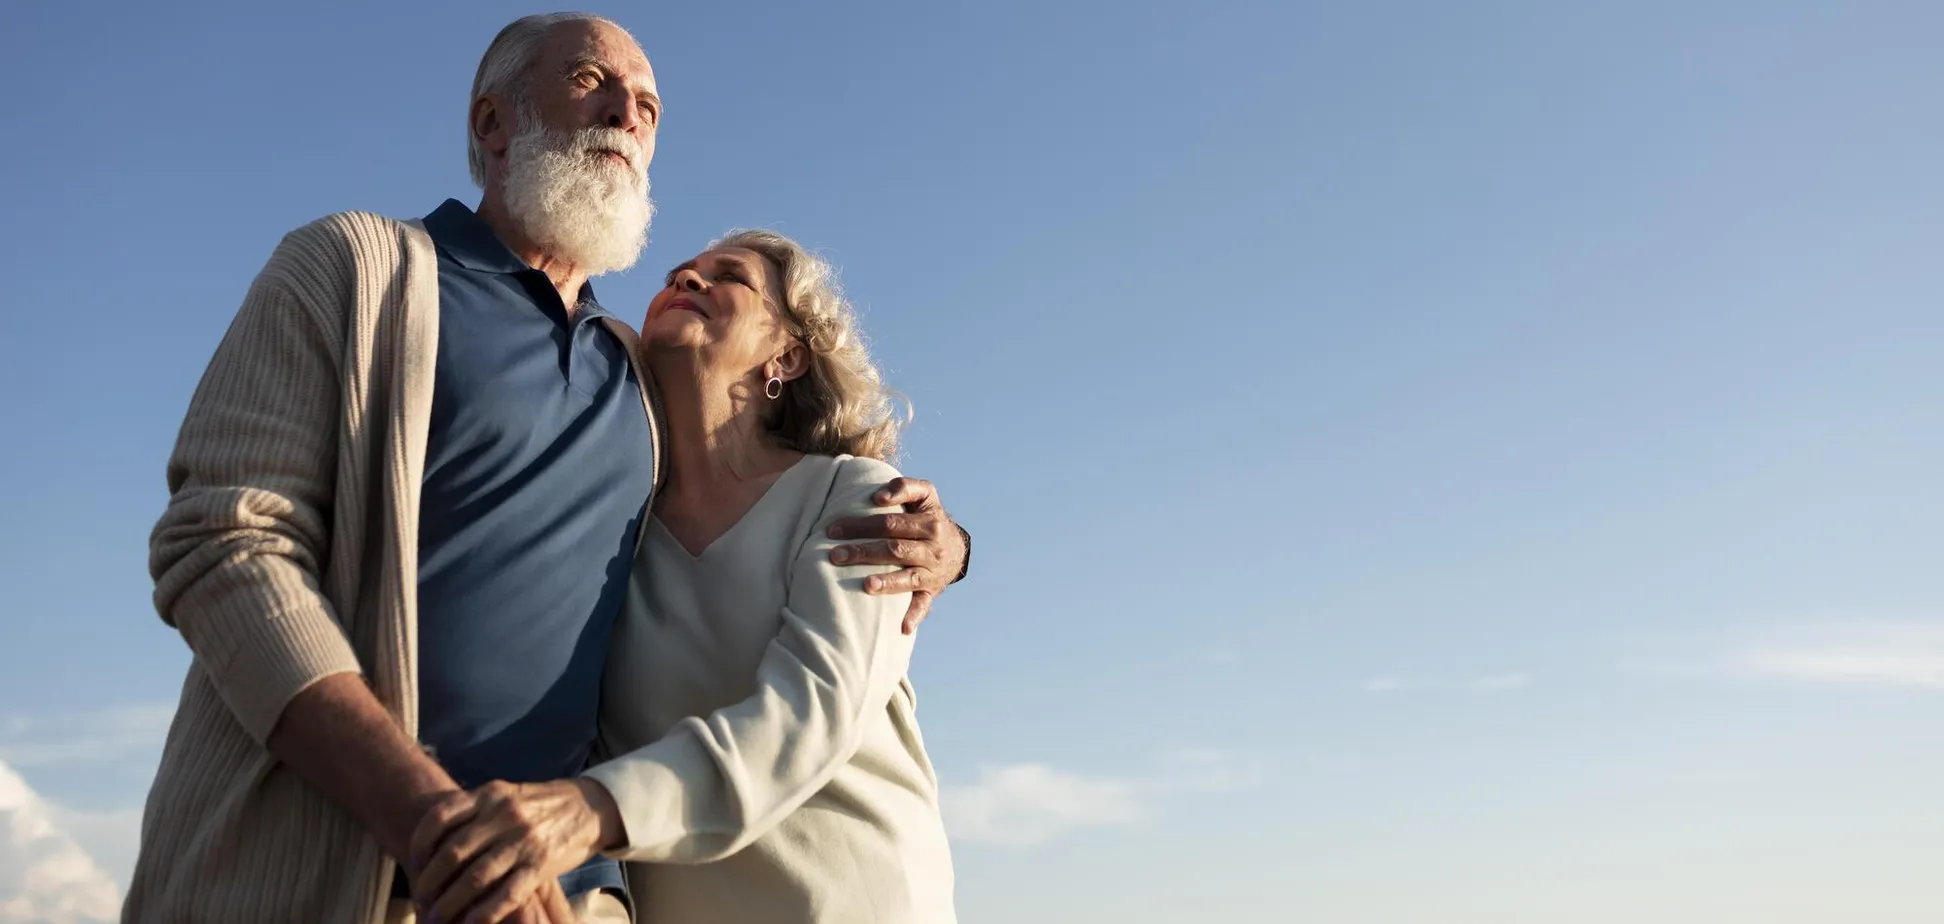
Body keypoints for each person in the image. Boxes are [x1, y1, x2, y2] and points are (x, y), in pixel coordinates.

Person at [128, 13, 968, 924]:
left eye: (648, 105)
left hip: (579, 897)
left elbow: (773, 532)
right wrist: (440, 828)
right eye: (589, 83)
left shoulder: (631, 375)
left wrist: (951, 544)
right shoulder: (354, 270)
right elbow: (226, 543)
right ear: (491, 123)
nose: (627, 116)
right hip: (346, 876)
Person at [405, 232, 957, 924]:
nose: (688, 278)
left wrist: (585, 813)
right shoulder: (619, 542)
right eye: (678, 274)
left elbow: (810, 715)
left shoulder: (858, 499)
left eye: (726, 276)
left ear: (785, 354)